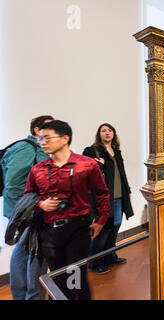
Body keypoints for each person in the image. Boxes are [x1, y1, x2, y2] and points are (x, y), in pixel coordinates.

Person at [23, 120, 110, 300]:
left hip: (78, 228)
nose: (42, 142)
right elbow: (28, 196)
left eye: (47, 137)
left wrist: (101, 221)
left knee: (76, 277)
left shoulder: (87, 165)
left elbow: (102, 193)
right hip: (49, 232)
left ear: (64, 138)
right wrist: (41, 204)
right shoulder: (37, 170)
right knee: (58, 278)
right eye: (40, 139)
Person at [1, 115, 54, 300]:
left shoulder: (42, 149)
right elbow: (13, 186)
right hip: (28, 213)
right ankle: (30, 296)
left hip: (36, 212)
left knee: (25, 253)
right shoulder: (25, 148)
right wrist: (29, 210)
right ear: (37, 131)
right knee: (32, 255)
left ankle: (27, 296)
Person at [83, 123, 134, 275]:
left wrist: (127, 190)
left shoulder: (116, 152)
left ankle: (110, 256)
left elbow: (121, 172)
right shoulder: (93, 151)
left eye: (109, 130)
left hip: (119, 194)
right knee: (104, 228)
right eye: (103, 131)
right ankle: (95, 261)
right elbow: (85, 170)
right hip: (104, 197)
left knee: (116, 225)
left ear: (113, 133)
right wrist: (98, 165)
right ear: (99, 135)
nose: (107, 133)